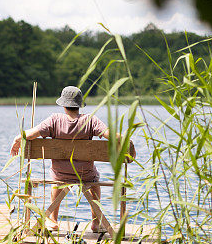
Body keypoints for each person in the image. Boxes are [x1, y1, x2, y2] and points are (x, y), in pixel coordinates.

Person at [10, 86, 135, 234]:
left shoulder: (54, 120)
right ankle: (96, 222)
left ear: (63, 104)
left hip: (60, 175)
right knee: (95, 179)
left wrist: (17, 138)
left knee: (56, 179)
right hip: (86, 175)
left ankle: (52, 220)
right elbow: (113, 135)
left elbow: (31, 134)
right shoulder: (90, 120)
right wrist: (129, 143)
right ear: (79, 105)